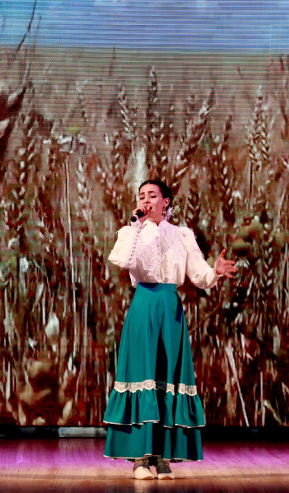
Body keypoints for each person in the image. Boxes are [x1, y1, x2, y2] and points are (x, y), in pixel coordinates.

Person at [103, 179, 237, 480]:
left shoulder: (183, 235)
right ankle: (140, 458)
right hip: (144, 307)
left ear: (166, 202)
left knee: (169, 377)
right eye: (141, 196)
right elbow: (121, 260)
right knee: (143, 375)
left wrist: (215, 272)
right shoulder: (129, 232)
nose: (146, 200)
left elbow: (199, 276)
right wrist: (135, 224)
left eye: (152, 195)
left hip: (170, 309)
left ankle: (162, 456)